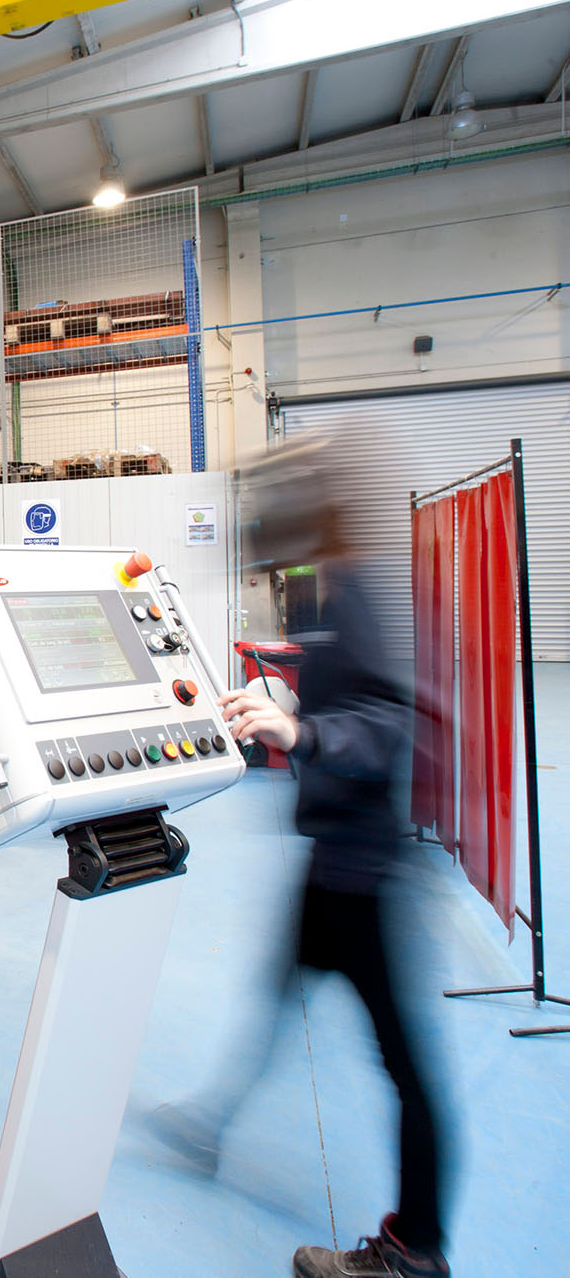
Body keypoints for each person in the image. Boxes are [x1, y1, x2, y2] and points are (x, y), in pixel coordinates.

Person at [163, 437, 450, 1278]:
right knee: (276, 988)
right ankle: (212, 1120)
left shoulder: (353, 592)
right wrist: (284, 704)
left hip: (366, 872)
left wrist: (303, 730)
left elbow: (390, 722)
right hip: (333, 861)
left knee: (404, 1061)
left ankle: (415, 1249)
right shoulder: (324, 588)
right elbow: (346, 699)